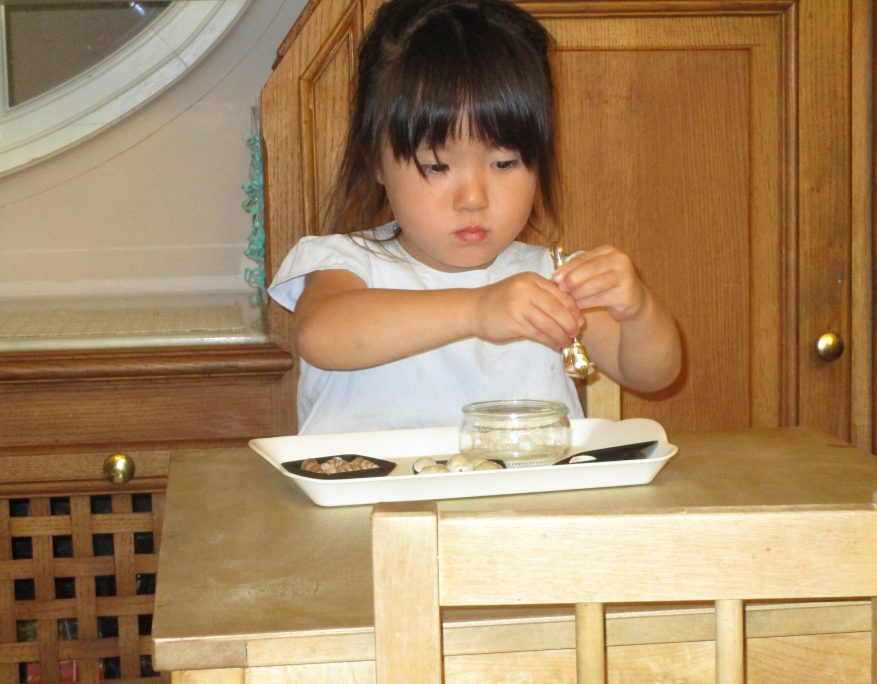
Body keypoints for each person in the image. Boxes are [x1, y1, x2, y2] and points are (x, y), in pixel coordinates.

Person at [268, 0, 681, 436]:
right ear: (376, 161)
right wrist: (477, 310)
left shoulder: (553, 278)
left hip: (520, 500)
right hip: (370, 500)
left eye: (504, 164)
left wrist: (637, 309)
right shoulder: (345, 262)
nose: (473, 198)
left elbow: (653, 375)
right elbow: (322, 334)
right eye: (438, 166)